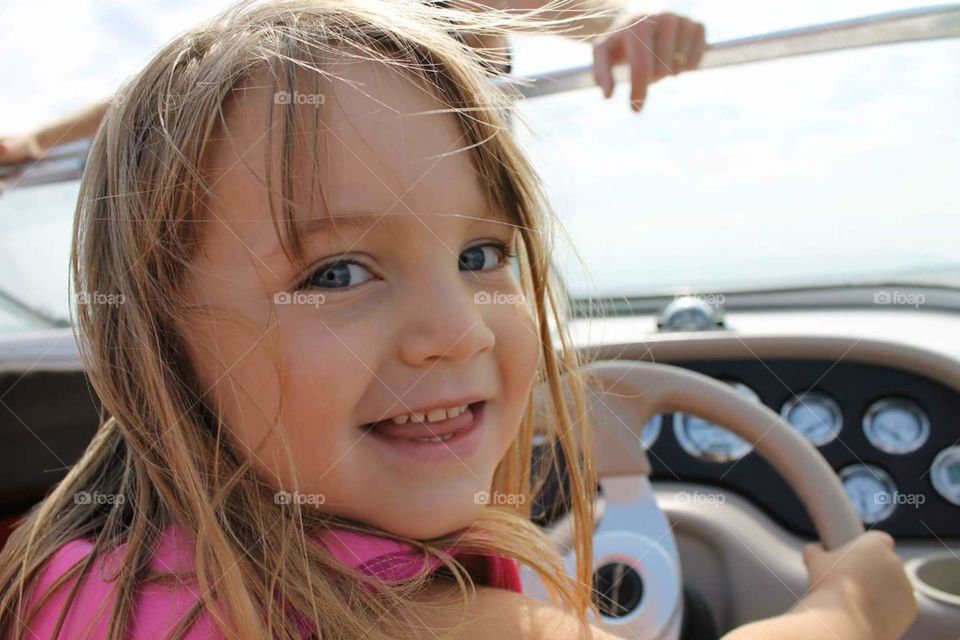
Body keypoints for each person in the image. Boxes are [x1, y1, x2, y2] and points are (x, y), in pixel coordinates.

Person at [0, 1, 916, 639]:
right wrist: (853, 612)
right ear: (155, 337)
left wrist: (613, 23)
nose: (462, 332)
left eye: (483, 256)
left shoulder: (66, 577)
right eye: (338, 272)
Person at [0, 0, 706, 167]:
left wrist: (634, 22)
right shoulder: (291, 17)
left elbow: (574, 11)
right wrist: (37, 138)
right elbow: (182, 79)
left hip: (465, 261)